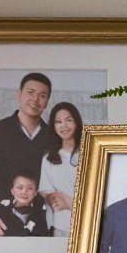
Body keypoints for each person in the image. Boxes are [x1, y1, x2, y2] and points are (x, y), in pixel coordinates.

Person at [0, 72, 54, 237]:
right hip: (3, 223)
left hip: (44, 223)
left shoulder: (53, 137)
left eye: (42, 95)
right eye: (30, 92)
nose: (35, 99)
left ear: (46, 102)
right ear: (19, 95)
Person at [38, 102, 83, 238]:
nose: (63, 126)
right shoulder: (48, 159)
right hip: (61, 227)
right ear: (53, 126)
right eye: (58, 122)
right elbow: (47, 191)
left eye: (68, 120)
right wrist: (54, 199)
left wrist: (69, 202)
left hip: (87, 224)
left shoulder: (89, 153)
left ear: (76, 123)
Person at [0, 171, 50, 237]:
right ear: (12, 190)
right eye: (19, 187)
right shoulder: (2, 208)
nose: (24, 192)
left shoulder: (40, 212)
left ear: (35, 192)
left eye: (29, 188)